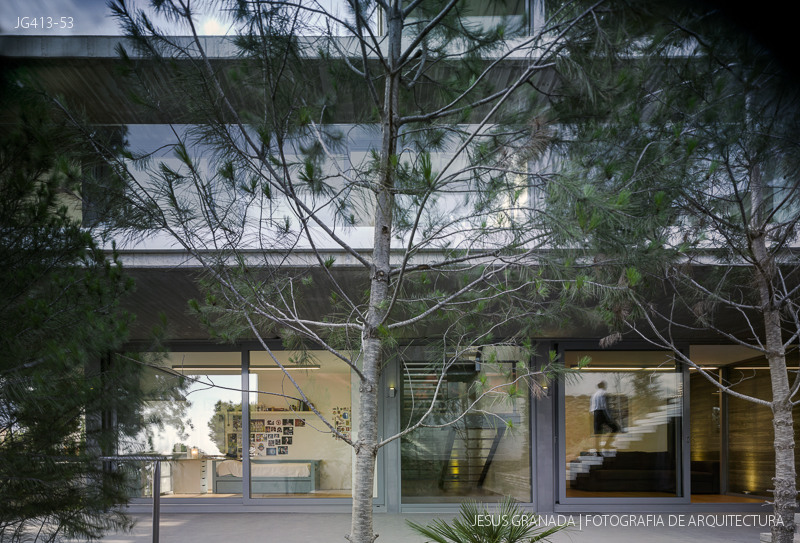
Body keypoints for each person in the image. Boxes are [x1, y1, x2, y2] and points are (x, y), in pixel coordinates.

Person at [590, 381, 620, 453]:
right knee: (616, 428)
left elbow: (591, 408)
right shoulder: (604, 393)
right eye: (605, 385)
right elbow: (605, 406)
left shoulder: (594, 395)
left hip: (596, 413)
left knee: (597, 432)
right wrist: (609, 417)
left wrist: (595, 415)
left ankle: (597, 450)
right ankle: (607, 444)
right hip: (603, 413)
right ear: (603, 386)